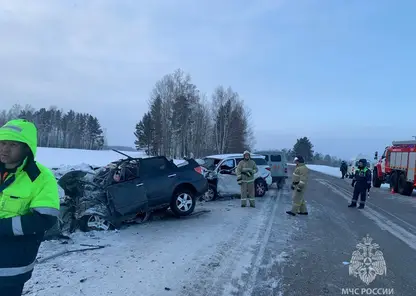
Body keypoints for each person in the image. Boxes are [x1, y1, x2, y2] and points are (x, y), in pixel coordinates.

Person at [0, 119, 60, 295]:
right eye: (2, 143)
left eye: (13, 144)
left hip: (10, 265)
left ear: (27, 148)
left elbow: (45, 219)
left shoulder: (41, 178)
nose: (5, 149)